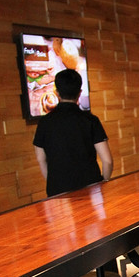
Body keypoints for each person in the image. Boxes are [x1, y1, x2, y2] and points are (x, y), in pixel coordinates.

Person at [33, 68, 113, 197]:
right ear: (80, 93)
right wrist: (103, 182)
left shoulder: (44, 122)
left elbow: (40, 158)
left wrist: (53, 183)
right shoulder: (91, 120)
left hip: (58, 191)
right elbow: (107, 160)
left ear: (56, 93)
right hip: (90, 188)